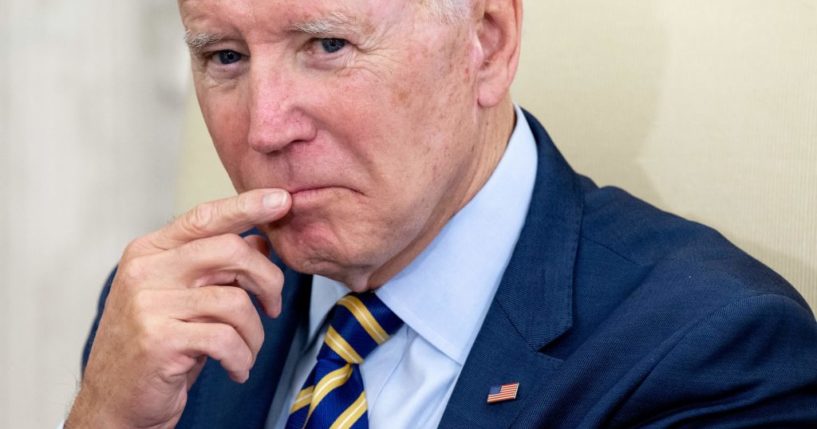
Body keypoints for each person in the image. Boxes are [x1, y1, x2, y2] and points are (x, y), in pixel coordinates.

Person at [65, 0, 817, 427]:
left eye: (327, 44)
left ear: (487, 43)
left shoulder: (711, 349)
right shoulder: (174, 316)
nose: (265, 128)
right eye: (225, 57)